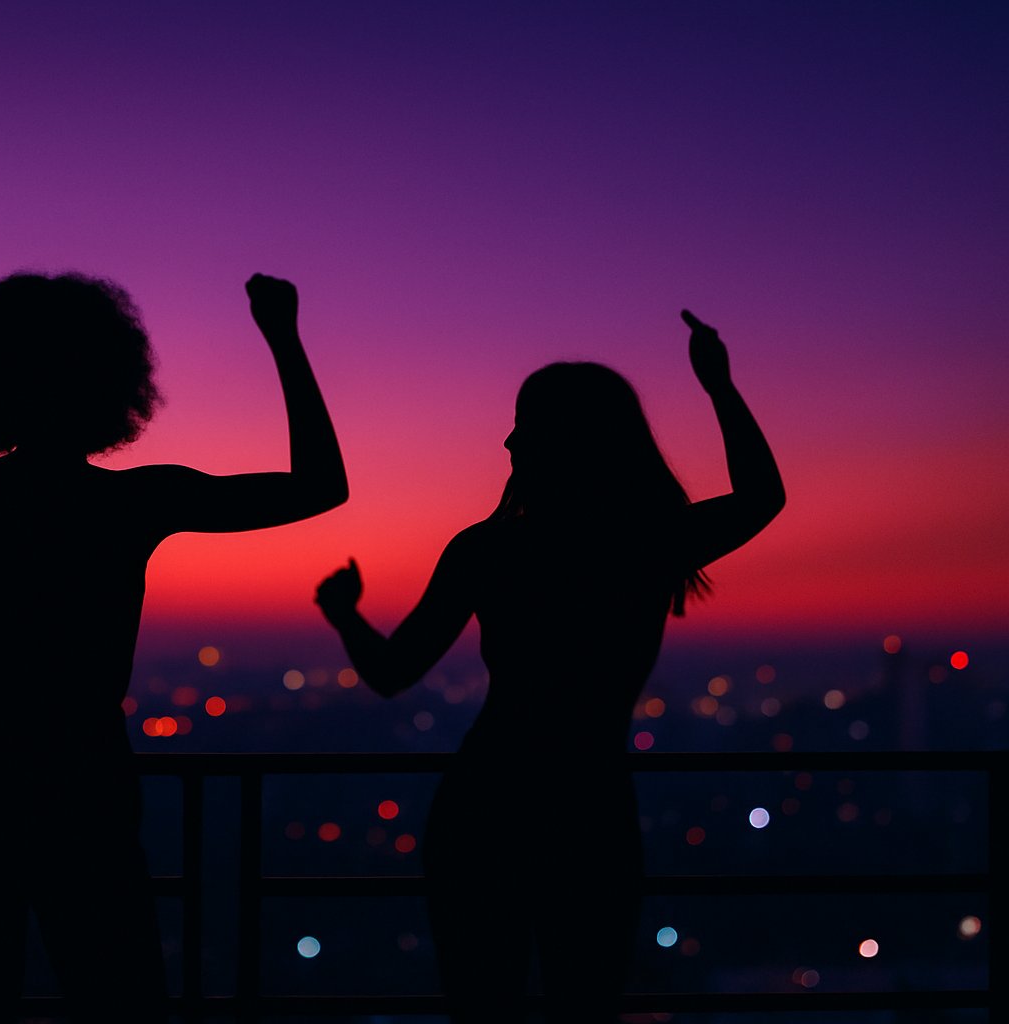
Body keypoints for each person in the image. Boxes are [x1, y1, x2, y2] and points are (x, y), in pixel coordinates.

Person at [0, 272, 347, 1021]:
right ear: (111, 383)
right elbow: (318, 485)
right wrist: (283, 336)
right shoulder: (135, 500)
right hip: (85, 768)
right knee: (118, 993)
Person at [314, 310, 784, 1022]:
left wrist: (344, 613)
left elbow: (391, 672)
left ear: (564, 440)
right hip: (590, 807)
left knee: (481, 1007)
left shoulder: (487, 550)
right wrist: (717, 385)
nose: (508, 440)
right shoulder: (647, 542)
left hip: (485, 805)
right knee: (586, 1004)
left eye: (524, 425)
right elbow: (763, 498)